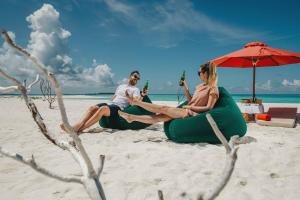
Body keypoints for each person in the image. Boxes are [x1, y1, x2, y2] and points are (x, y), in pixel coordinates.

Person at [118, 62, 219, 124]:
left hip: (191, 113)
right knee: (157, 118)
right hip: (186, 110)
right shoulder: (200, 86)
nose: (198, 75)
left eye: (199, 73)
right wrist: (185, 86)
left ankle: (136, 102)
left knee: (164, 108)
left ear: (206, 73)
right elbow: (191, 100)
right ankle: (131, 118)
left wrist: (190, 107)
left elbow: (208, 107)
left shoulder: (213, 88)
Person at [60, 70, 147, 134]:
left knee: (102, 109)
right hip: (110, 104)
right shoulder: (121, 86)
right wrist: (109, 101)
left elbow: (135, 102)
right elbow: (115, 96)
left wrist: (141, 95)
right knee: (92, 108)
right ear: (130, 76)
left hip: (119, 107)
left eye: (138, 78)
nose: (137, 79)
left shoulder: (135, 89)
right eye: (135, 76)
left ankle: (78, 129)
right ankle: (77, 126)